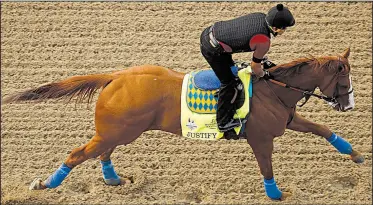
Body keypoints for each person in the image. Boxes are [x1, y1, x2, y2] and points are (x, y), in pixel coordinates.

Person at [200, 3, 295, 134]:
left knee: (232, 70)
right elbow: (255, 67)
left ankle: (223, 95)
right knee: (230, 83)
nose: (285, 31)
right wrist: (263, 74)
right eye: (285, 28)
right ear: (275, 28)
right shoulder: (264, 41)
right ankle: (222, 122)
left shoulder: (260, 17)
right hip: (212, 50)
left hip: (209, 33)